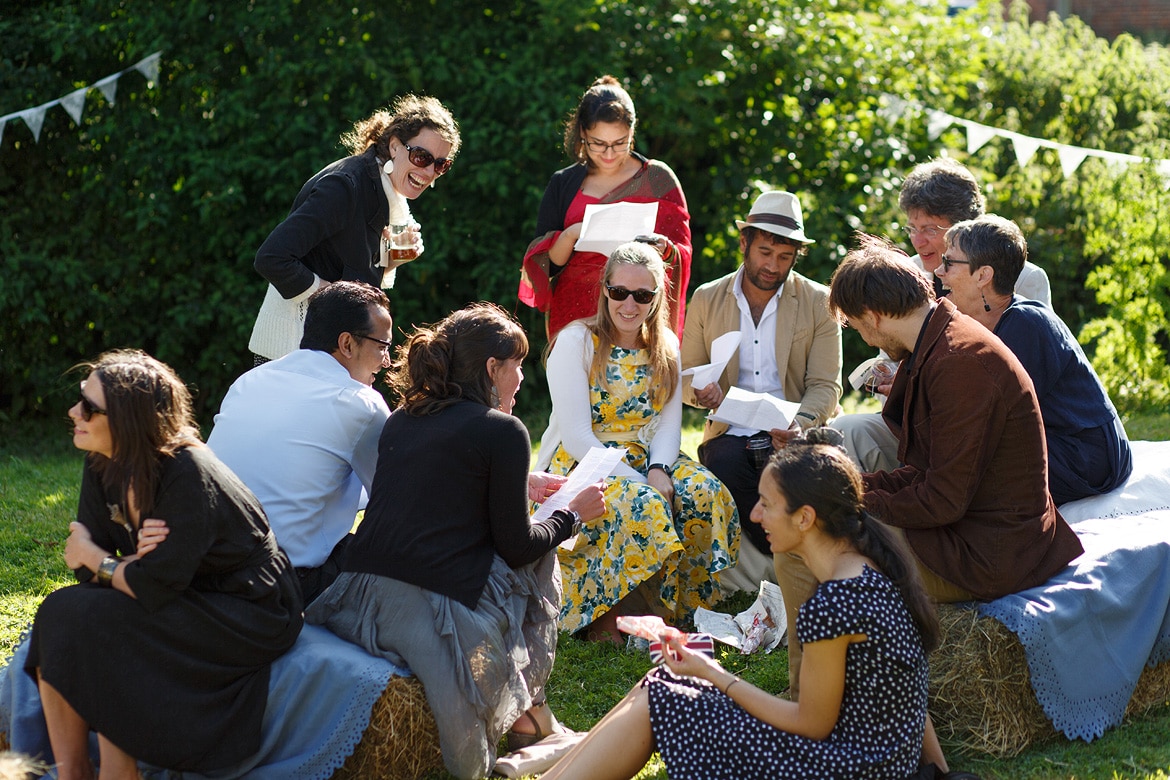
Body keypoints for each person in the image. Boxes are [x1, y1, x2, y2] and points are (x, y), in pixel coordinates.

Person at [305, 303, 606, 780]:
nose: (522, 379)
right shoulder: (504, 430)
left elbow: (440, 492)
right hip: (431, 610)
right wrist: (572, 515)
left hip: (361, 597)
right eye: (518, 365)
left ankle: (531, 717)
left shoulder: (405, 417)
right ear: (492, 368)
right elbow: (517, 547)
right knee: (542, 560)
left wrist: (519, 484)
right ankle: (529, 716)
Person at [542, 433, 956, 780]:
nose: (755, 515)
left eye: (767, 504)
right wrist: (939, 770)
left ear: (805, 518)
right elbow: (908, 694)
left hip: (844, 768)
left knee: (662, 698)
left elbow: (812, 723)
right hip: (873, 763)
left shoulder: (833, 603)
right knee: (661, 686)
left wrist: (712, 673)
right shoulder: (875, 569)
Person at [776, 236, 1083, 698]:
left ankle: (810, 703)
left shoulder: (961, 363)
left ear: (874, 316)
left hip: (989, 553)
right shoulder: (940, 342)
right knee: (813, 521)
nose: (865, 337)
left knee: (803, 540)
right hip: (971, 532)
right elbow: (925, 472)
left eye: (859, 327)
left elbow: (941, 500)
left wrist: (849, 498)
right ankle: (833, 690)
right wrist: (852, 483)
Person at [26, 350, 303, 779]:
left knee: (104, 620)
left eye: (90, 407)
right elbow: (87, 571)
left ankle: (119, 772)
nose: (73, 412)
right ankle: (74, 772)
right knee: (60, 610)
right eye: (82, 398)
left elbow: (127, 574)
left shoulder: (188, 471)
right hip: (185, 585)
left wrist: (106, 561)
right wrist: (121, 564)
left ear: (129, 418)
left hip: (248, 606)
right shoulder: (102, 461)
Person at [537, 242, 738, 640]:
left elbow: (668, 424)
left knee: (705, 492)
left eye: (642, 295)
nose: (629, 304)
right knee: (645, 502)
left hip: (648, 454)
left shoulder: (666, 345)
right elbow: (577, 437)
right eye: (619, 292)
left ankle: (683, 605)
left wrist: (660, 469)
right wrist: (643, 481)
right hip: (587, 459)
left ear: (656, 298)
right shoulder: (576, 341)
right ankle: (625, 611)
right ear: (604, 290)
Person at [834, 157, 1052, 473]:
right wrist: (890, 380)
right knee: (846, 432)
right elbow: (890, 353)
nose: (917, 241)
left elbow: (1026, 379)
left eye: (929, 229)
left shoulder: (1025, 279)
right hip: (917, 424)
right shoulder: (903, 274)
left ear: (965, 228)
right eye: (911, 228)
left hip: (988, 430)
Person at [680, 190, 842, 591]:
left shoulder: (819, 301)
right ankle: (779, 569)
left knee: (798, 477)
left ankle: (788, 570)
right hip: (729, 431)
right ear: (744, 243)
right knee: (728, 466)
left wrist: (799, 423)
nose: (772, 266)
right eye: (765, 252)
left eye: (784, 258)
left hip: (793, 428)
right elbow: (684, 377)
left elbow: (826, 385)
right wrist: (702, 392)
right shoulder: (706, 297)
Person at [208, 281, 393, 604]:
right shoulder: (360, 403)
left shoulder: (250, 380)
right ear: (347, 344)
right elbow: (395, 497)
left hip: (209, 571)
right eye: (382, 345)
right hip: (283, 586)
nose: (387, 360)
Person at [936, 215, 1133, 504]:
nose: (939, 271)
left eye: (949, 262)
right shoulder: (989, 323)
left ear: (983, 275)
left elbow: (989, 414)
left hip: (1087, 458)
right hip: (1061, 446)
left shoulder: (1027, 323)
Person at [249, 94, 460, 362]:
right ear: (395, 146)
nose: (429, 171)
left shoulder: (385, 190)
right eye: (421, 157)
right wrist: (332, 296)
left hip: (327, 355)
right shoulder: (344, 186)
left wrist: (391, 260)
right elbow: (271, 258)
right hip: (290, 355)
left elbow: (347, 268)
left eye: (441, 164)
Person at [519, 75, 692, 339]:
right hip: (574, 318)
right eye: (598, 144)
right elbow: (544, 266)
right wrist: (573, 234)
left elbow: (681, 252)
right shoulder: (563, 183)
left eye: (619, 143)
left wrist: (664, 249)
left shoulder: (657, 179)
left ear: (632, 133)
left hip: (637, 318)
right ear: (582, 133)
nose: (609, 154)